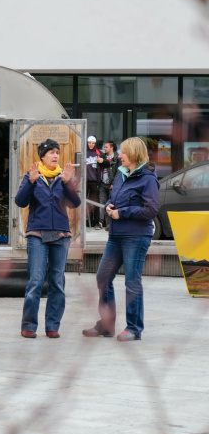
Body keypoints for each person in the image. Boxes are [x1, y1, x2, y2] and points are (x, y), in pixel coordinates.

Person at [82, 137, 159, 341]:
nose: (119, 155)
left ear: (133, 154)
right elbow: (114, 198)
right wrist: (109, 205)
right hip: (115, 236)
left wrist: (122, 213)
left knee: (132, 282)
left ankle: (134, 328)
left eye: (123, 152)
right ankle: (106, 325)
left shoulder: (148, 179)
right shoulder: (121, 175)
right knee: (102, 277)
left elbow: (151, 209)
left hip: (136, 236)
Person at [15, 138, 81, 339]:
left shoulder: (64, 177)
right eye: (51, 153)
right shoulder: (32, 176)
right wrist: (31, 182)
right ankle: (28, 325)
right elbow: (20, 201)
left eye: (57, 153)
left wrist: (68, 183)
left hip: (61, 235)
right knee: (35, 281)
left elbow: (74, 203)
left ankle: (52, 325)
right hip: (37, 234)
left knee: (57, 282)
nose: (55, 156)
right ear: (42, 156)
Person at [96, 141, 121, 230]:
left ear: (111, 148)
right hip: (103, 183)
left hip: (111, 184)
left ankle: (109, 224)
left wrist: (114, 183)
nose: (105, 149)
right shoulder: (102, 156)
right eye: (104, 147)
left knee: (111, 204)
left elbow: (118, 172)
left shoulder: (117, 158)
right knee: (102, 202)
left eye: (106, 147)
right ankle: (100, 222)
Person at [86, 135, 102, 227]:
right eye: (89, 143)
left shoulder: (98, 153)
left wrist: (102, 160)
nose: (91, 145)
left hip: (94, 181)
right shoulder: (84, 152)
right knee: (84, 201)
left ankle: (95, 221)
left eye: (92, 143)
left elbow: (107, 162)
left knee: (95, 201)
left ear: (95, 144)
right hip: (85, 180)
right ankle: (85, 221)